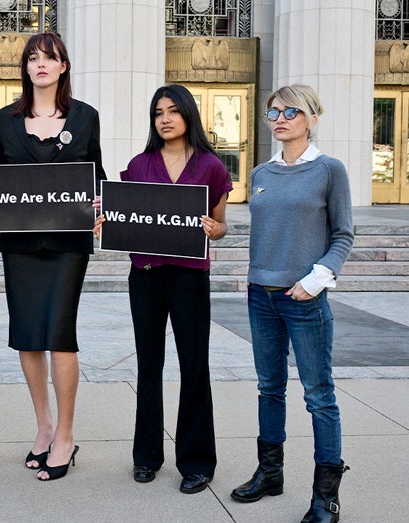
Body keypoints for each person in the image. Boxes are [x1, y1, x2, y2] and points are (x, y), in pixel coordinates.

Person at [0, 32, 105, 481]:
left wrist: (101, 203)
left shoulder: (85, 117)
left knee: (60, 335)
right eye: (33, 58)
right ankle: (44, 427)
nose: (40, 64)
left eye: (49, 58)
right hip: (20, 243)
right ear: (26, 67)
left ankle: (66, 436)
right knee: (28, 337)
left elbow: (97, 175)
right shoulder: (5, 119)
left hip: (68, 244)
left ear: (63, 66)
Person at [94, 84, 231, 493]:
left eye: (173, 110)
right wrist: (107, 225)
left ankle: (197, 462)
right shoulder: (139, 164)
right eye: (158, 113)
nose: (165, 119)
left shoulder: (210, 166)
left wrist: (216, 230)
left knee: (194, 366)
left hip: (190, 277)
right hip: (147, 275)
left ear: (188, 114)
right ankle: (147, 456)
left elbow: (221, 224)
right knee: (148, 365)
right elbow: (126, 217)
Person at [230, 84, 353, 523]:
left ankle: (326, 497)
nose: (280, 119)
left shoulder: (329, 170)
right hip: (260, 296)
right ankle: (270, 473)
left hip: (305, 300)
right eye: (273, 112)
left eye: (290, 112)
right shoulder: (261, 173)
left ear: (312, 118)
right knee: (269, 388)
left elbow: (343, 235)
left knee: (319, 396)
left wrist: (316, 280)